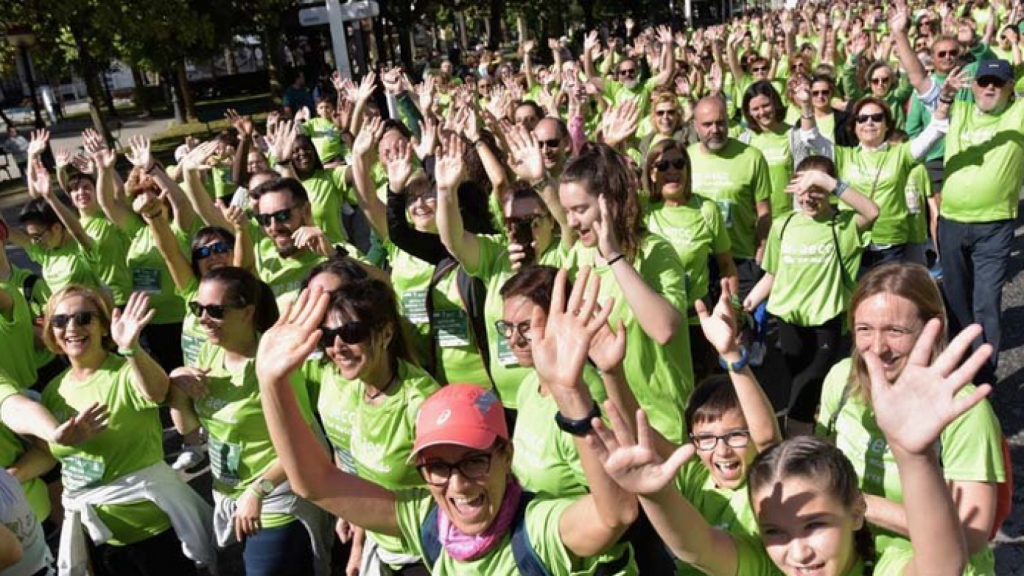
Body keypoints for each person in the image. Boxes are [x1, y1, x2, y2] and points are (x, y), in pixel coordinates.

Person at [255, 268, 639, 575]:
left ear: (506, 456)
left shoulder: (535, 530)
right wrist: (270, 382)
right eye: (437, 466)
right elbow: (314, 483)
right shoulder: (431, 523)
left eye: (474, 461)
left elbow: (616, 515)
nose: (458, 484)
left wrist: (569, 391)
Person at [589, 310, 994, 576]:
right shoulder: (768, 566)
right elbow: (698, 547)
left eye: (815, 525)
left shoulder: (884, 567)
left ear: (857, 512)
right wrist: (655, 495)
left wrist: (914, 456)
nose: (798, 553)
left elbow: (941, 566)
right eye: (774, 532)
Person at [817, 263, 1005, 575]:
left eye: (896, 331)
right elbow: (822, 470)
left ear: (932, 329)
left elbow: (971, 536)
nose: (878, 347)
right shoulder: (841, 379)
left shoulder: (963, 410)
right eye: (864, 329)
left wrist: (858, 503)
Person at [40, 286, 213, 575]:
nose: (71, 327)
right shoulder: (52, 391)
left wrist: (131, 348)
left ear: (103, 326)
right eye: (60, 320)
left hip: (153, 534)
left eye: (83, 318)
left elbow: (158, 391)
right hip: (98, 534)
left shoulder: (126, 372)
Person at [168, 267, 330, 576]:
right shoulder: (209, 352)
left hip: (275, 497)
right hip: (232, 494)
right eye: (197, 308)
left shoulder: (273, 365)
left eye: (215, 311)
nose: (203, 318)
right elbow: (186, 427)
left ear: (247, 312)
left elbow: (306, 445)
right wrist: (176, 384)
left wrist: (258, 490)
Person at [559, 143, 693, 443]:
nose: (571, 222)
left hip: (661, 422)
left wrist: (614, 257)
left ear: (610, 203)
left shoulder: (655, 252)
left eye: (580, 209)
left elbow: (664, 330)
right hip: (609, 420)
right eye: (567, 211)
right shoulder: (579, 255)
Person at [310, 278, 439, 575]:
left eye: (352, 333)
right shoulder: (359, 386)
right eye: (328, 336)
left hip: (426, 553)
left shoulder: (421, 405)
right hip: (383, 549)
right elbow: (366, 474)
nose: (337, 347)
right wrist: (359, 542)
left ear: (386, 333)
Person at [745, 156, 879, 436]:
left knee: (806, 388)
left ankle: (797, 445)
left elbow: (871, 211)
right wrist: (746, 304)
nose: (808, 197)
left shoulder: (842, 225)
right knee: (800, 383)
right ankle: (808, 436)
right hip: (788, 321)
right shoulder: (783, 225)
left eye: (817, 189)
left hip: (825, 322)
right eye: (803, 189)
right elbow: (772, 275)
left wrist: (828, 181)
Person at [640, 139, 737, 380]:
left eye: (678, 163)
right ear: (651, 173)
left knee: (700, 390)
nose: (672, 170)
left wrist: (733, 308)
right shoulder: (642, 208)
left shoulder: (706, 209)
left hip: (696, 319)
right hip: (655, 319)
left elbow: (726, 265)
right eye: (662, 166)